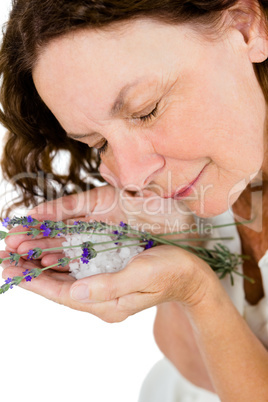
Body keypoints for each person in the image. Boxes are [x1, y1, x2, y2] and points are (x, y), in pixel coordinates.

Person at [0, 0, 268, 400]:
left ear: (246, 26)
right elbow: (196, 372)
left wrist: (197, 290)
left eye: (146, 111)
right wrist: (180, 240)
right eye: (100, 143)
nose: (131, 176)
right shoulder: (212, 181)